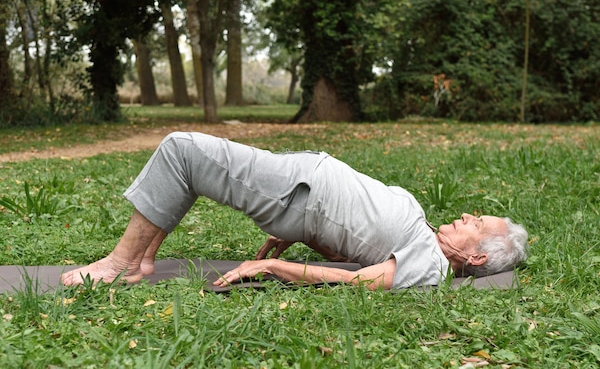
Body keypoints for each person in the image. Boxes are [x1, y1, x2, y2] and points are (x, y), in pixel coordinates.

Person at [61, 132, 528, 290]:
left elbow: (359, 280)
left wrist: (274, 265)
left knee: (182, 151)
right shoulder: (426, 236)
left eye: (477, 223)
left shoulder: (431, 266)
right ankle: (141, 258)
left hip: (297, 193)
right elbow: (357, 235)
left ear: (478, 257)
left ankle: (122, 262)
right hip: (300, 191)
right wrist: (302, 234)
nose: (467, 215)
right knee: (191, 163)